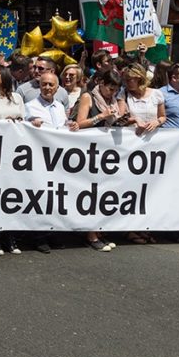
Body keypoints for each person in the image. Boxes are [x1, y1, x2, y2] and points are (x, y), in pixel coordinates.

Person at [74, 68, 124, 252]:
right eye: (110, 89)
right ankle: (91, 234)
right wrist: (101, 116)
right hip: (88, 151)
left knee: (104, 192)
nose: (113, 93)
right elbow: (80, 123)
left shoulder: (112, 100)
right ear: (101, 84)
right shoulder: (89, 97)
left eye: (116, 90)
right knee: (92, 192)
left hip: (106, 152)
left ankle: (99, 230)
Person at [118, 63, 166, 135]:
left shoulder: (157, 94)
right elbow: (119, 120)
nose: (126, 83)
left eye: (129, 80)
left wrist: (156, 122)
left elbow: (162, 117)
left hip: (153, 138)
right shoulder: (123, 94)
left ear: (139, 78)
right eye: (125, 80)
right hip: (131, 138)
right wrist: (135, 120)